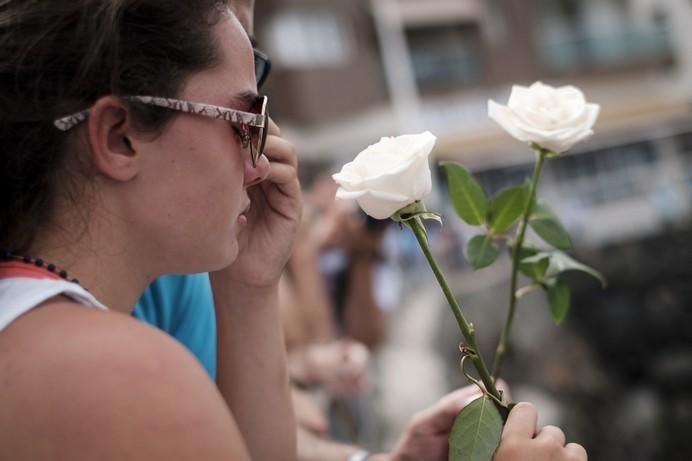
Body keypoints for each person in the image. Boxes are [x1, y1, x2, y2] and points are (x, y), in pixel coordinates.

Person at [0, 1, 587, 460]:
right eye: (245, 120)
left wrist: (250, 283)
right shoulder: (119, 376)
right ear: (120, 136)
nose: (267, 159)